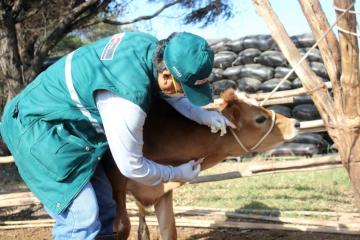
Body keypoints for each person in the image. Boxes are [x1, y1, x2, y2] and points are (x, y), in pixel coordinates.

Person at [0, 31, 235, 239]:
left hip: (72, 132)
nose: (185, 96)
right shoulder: (126, 101)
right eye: (185, 90)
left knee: (107, 209)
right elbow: (132, 167)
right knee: (81, 218)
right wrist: (176, 173)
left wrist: (203, 115)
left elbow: (169, 94)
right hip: (35, 128)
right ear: (165, 76)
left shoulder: (150, 48)